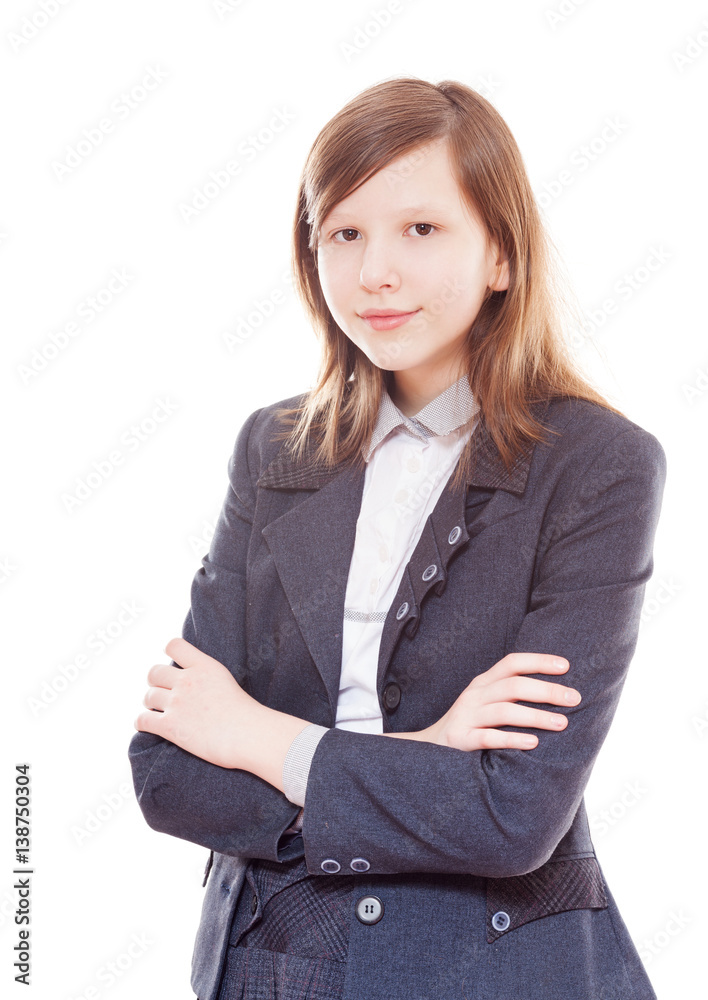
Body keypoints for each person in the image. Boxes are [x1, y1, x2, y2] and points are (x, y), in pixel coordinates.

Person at [128, 77, 666, 1000]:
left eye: (421, 228)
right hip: (273, 959)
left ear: (501, 254)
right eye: (344, 233)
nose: (375, 271)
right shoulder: (274, 449)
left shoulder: (597, 465)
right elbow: (169, 772)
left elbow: (514, 815)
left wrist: (258, 737)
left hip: (488, 963)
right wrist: (427, 751)